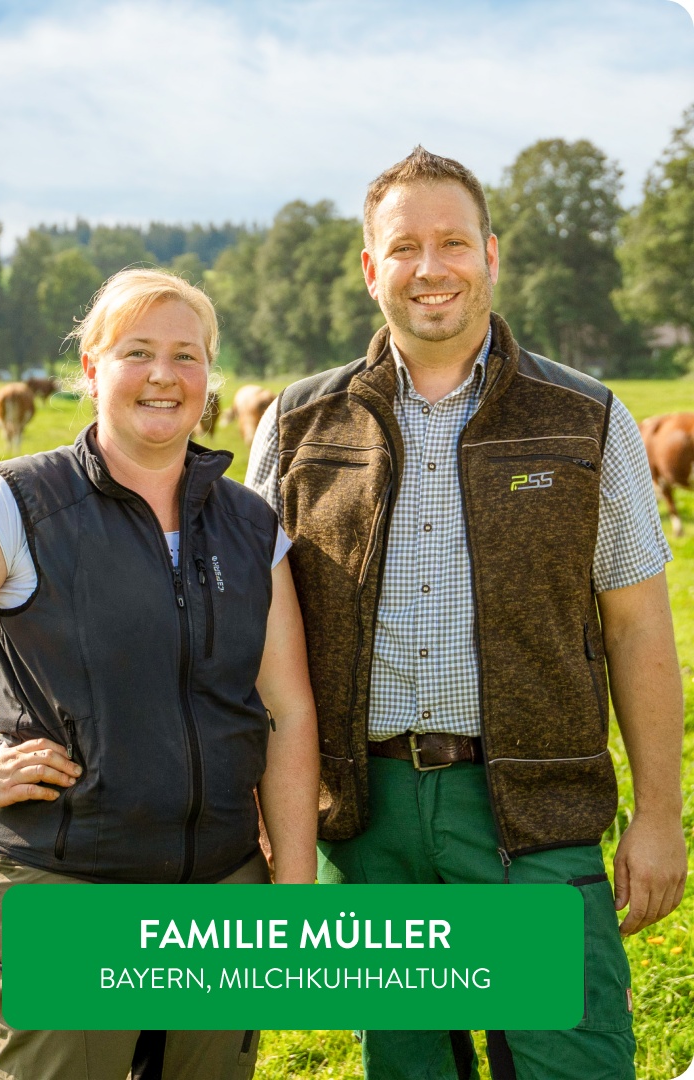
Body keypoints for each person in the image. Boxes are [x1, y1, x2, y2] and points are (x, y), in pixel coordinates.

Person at [245, 147, 687, 1080]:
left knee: (573, 1056)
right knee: (411, 1065)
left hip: (532, 805)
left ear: (490, 254)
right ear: (371, 269)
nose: (430, 267)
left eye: (452, 242)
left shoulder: (586, 417)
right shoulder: (296, 424)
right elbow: (250, 633)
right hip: (369, 815)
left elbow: (639, 626)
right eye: (404, 247)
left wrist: (659, 817)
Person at [0, 268, 319, 1080]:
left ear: (210, 378)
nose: (164, 375)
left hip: (222, 893)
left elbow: (289, 711)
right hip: (68, 886)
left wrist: (292, 887)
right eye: (138, 352)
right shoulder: (18, 504)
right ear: (91, 369)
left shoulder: (248, 523)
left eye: (187, 356)